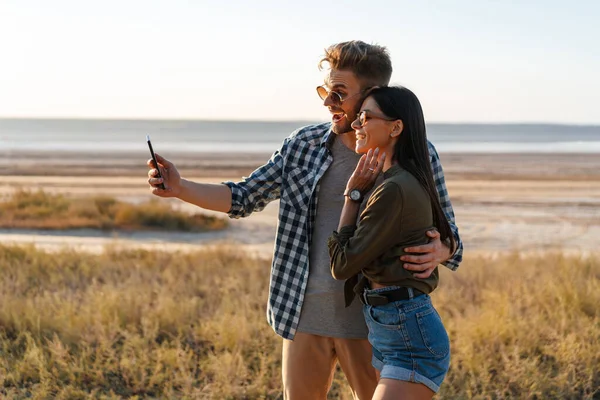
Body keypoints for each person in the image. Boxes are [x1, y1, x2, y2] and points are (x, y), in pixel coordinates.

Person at [147, 40, 463, 400]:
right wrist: (180, 186)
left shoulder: (412, 156)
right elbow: (244, 196)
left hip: (373, 324)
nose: (328, 102)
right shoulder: (303, 145)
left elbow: (451, 238)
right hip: (301, 315)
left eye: (339, 93)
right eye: (325, 91)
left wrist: (441, 249)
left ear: (373, 94)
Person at [328, 86, 453, 399]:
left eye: (366, 118)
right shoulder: (397, 181)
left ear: (396, 127)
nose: (356, 125)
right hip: (391, 330)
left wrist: (352, 195)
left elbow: (342, 265)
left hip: (409, 336)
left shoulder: (395, 188)